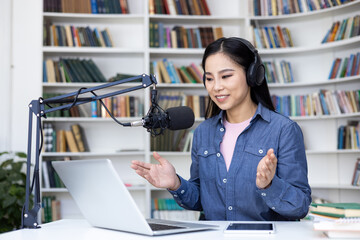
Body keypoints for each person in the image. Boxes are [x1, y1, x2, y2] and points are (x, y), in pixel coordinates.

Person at [131, 37, 312, 221]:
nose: (216, 87)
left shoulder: (284, 130)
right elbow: (202, 200)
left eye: (226, 76)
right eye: (209, 78)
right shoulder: (203, 132)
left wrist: (269, 185)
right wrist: (176, 183)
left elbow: (300, 207)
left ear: (252, 75)